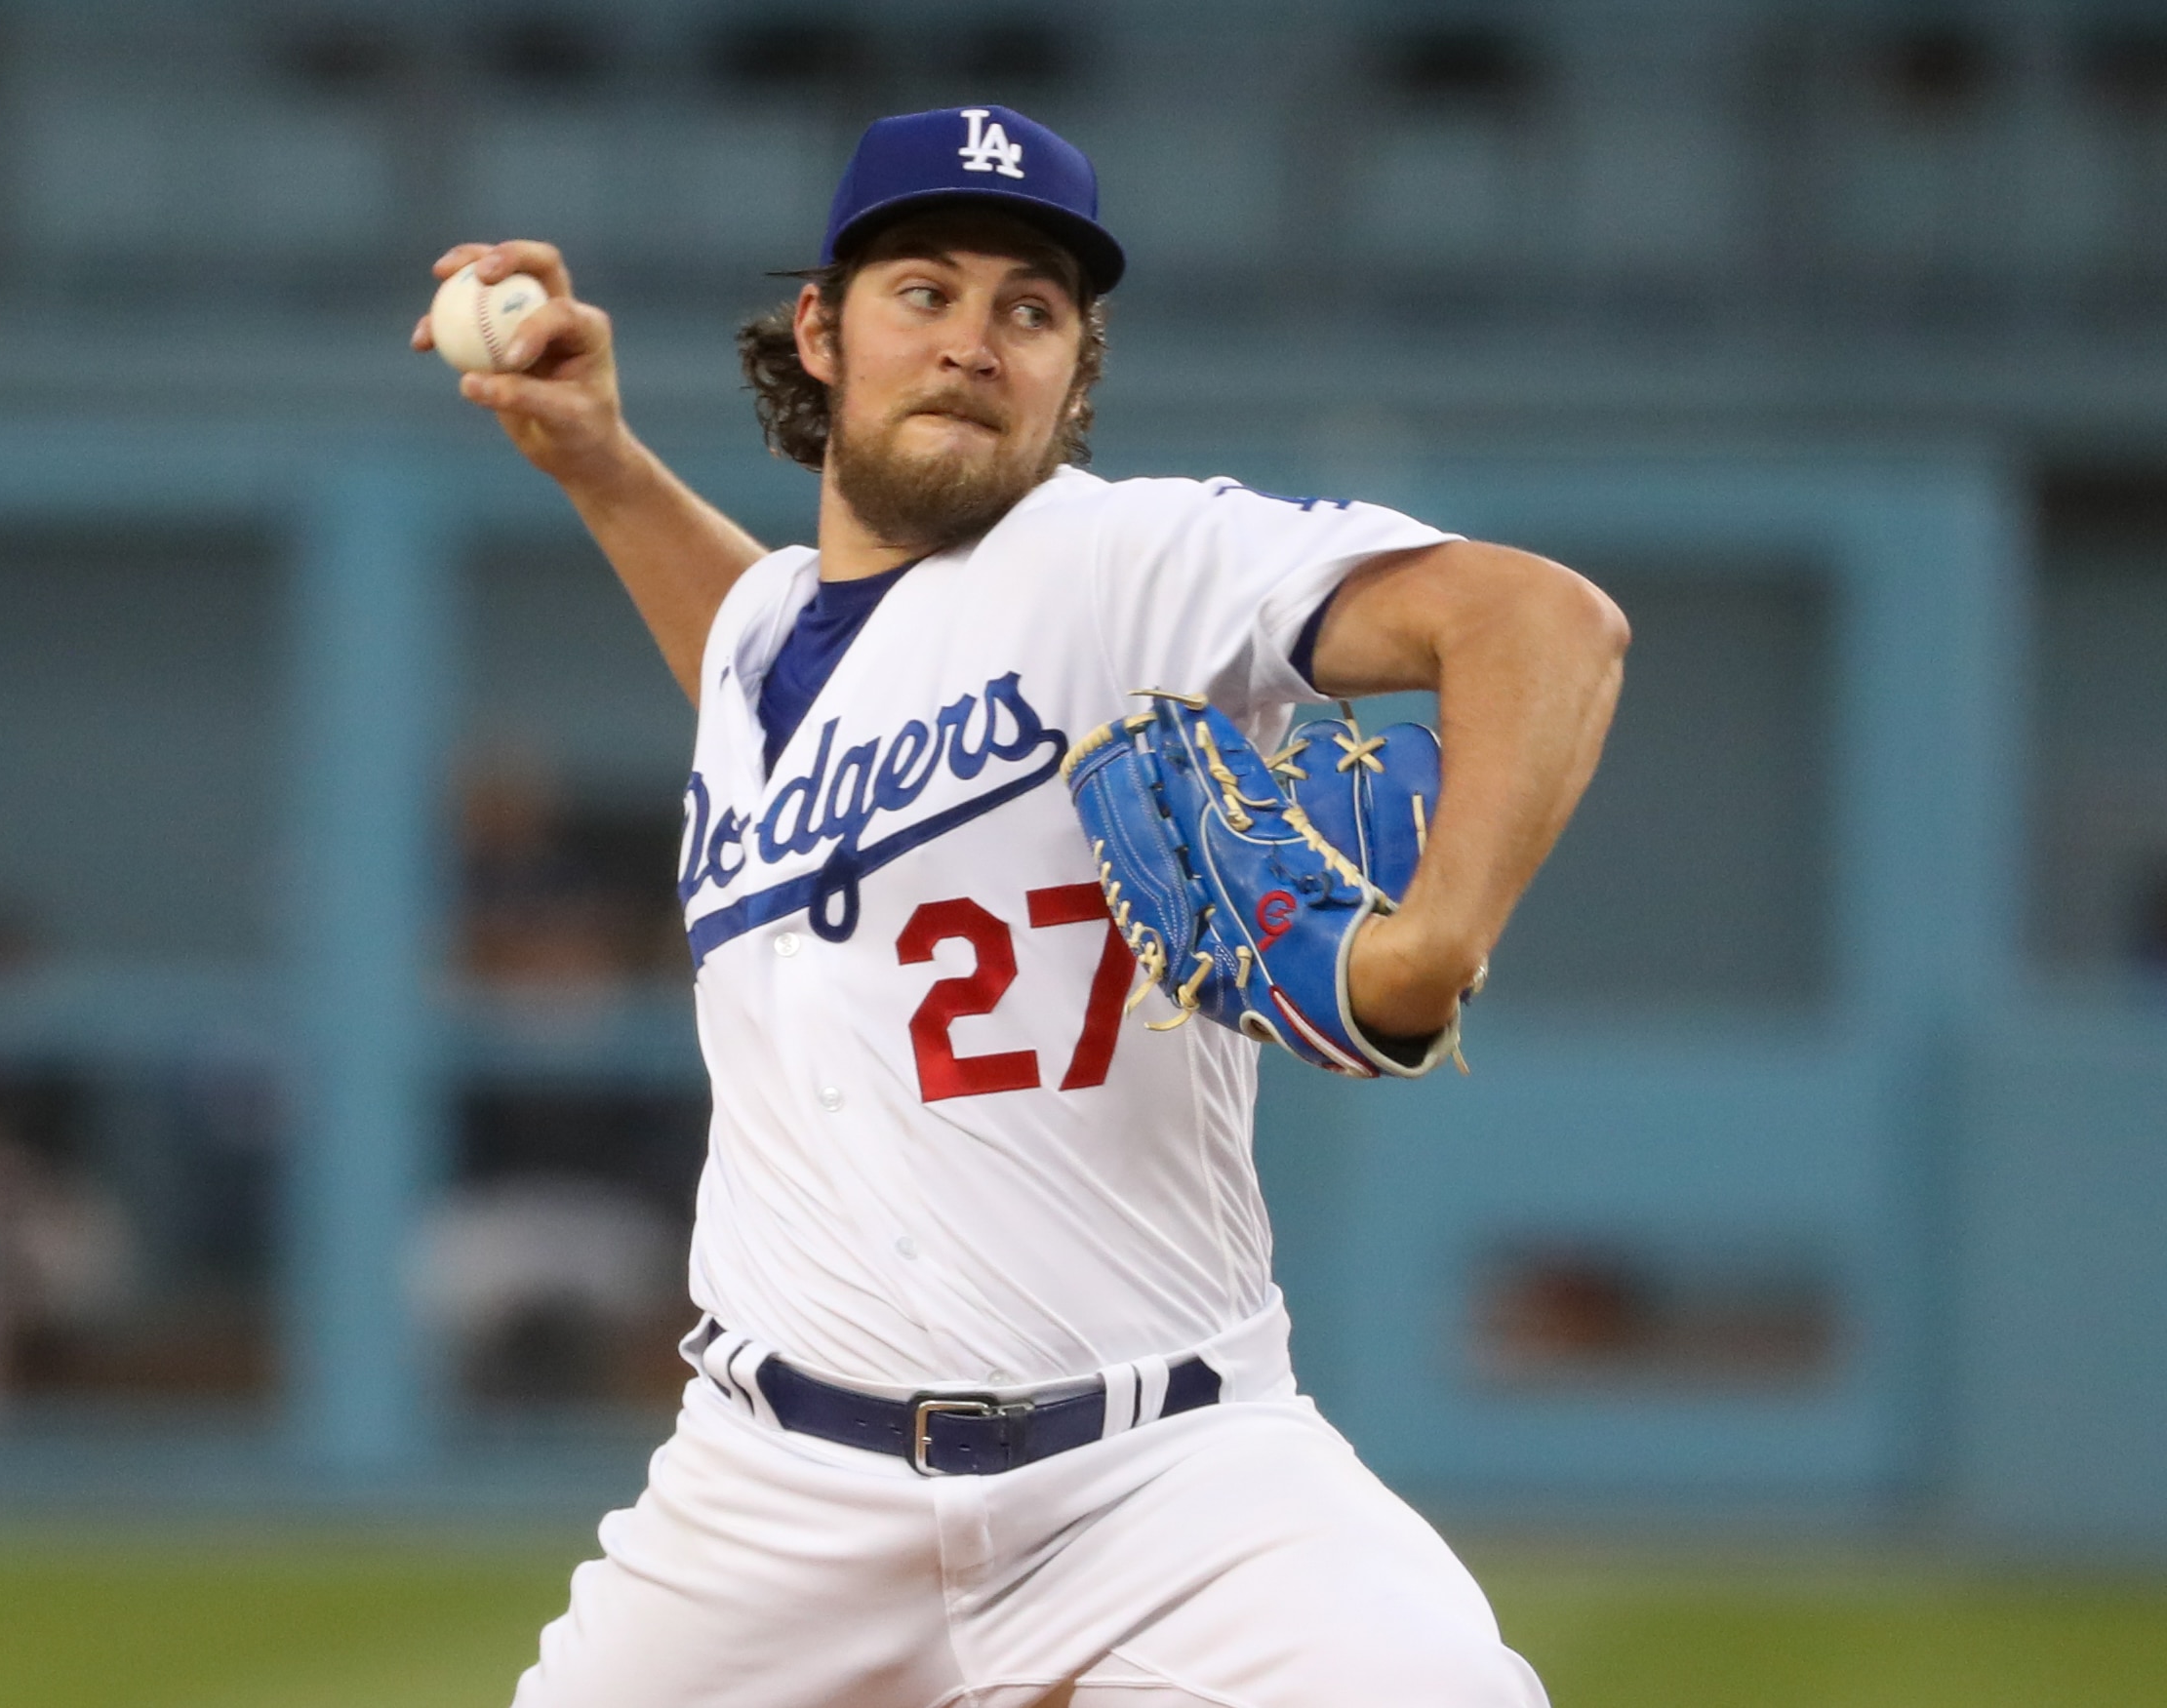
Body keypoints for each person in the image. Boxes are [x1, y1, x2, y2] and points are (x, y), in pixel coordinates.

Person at [416, 104, 1626, 1708]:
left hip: (1168, 1478)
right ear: (821, 334)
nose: (977, 341)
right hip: (774, 1493)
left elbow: (1545, 623)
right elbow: (780, 677)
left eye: (1030, 309)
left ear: (1076, 369)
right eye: (926, 290)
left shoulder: (1126, 556)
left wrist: (1434, 941)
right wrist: (603, 463)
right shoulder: (772, 630)